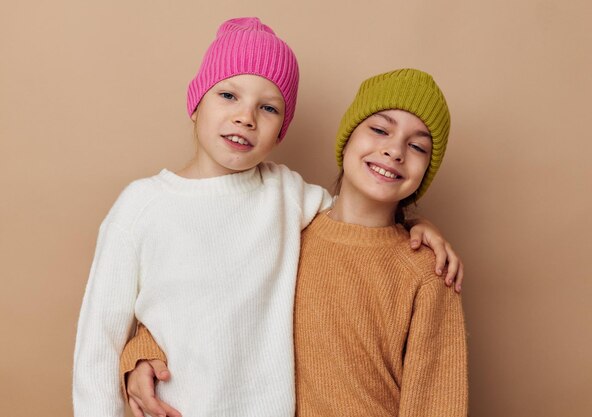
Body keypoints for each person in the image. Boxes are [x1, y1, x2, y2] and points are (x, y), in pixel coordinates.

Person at [73, 15, 462, 417]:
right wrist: (138, 358)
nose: (246, 116)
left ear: (282, 131)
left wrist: (418, 225)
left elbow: (360, 224)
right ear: (195, 102)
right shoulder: (141, 205)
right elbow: (102, 335)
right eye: (228, 95)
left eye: (268, 107)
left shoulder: (286, 195)